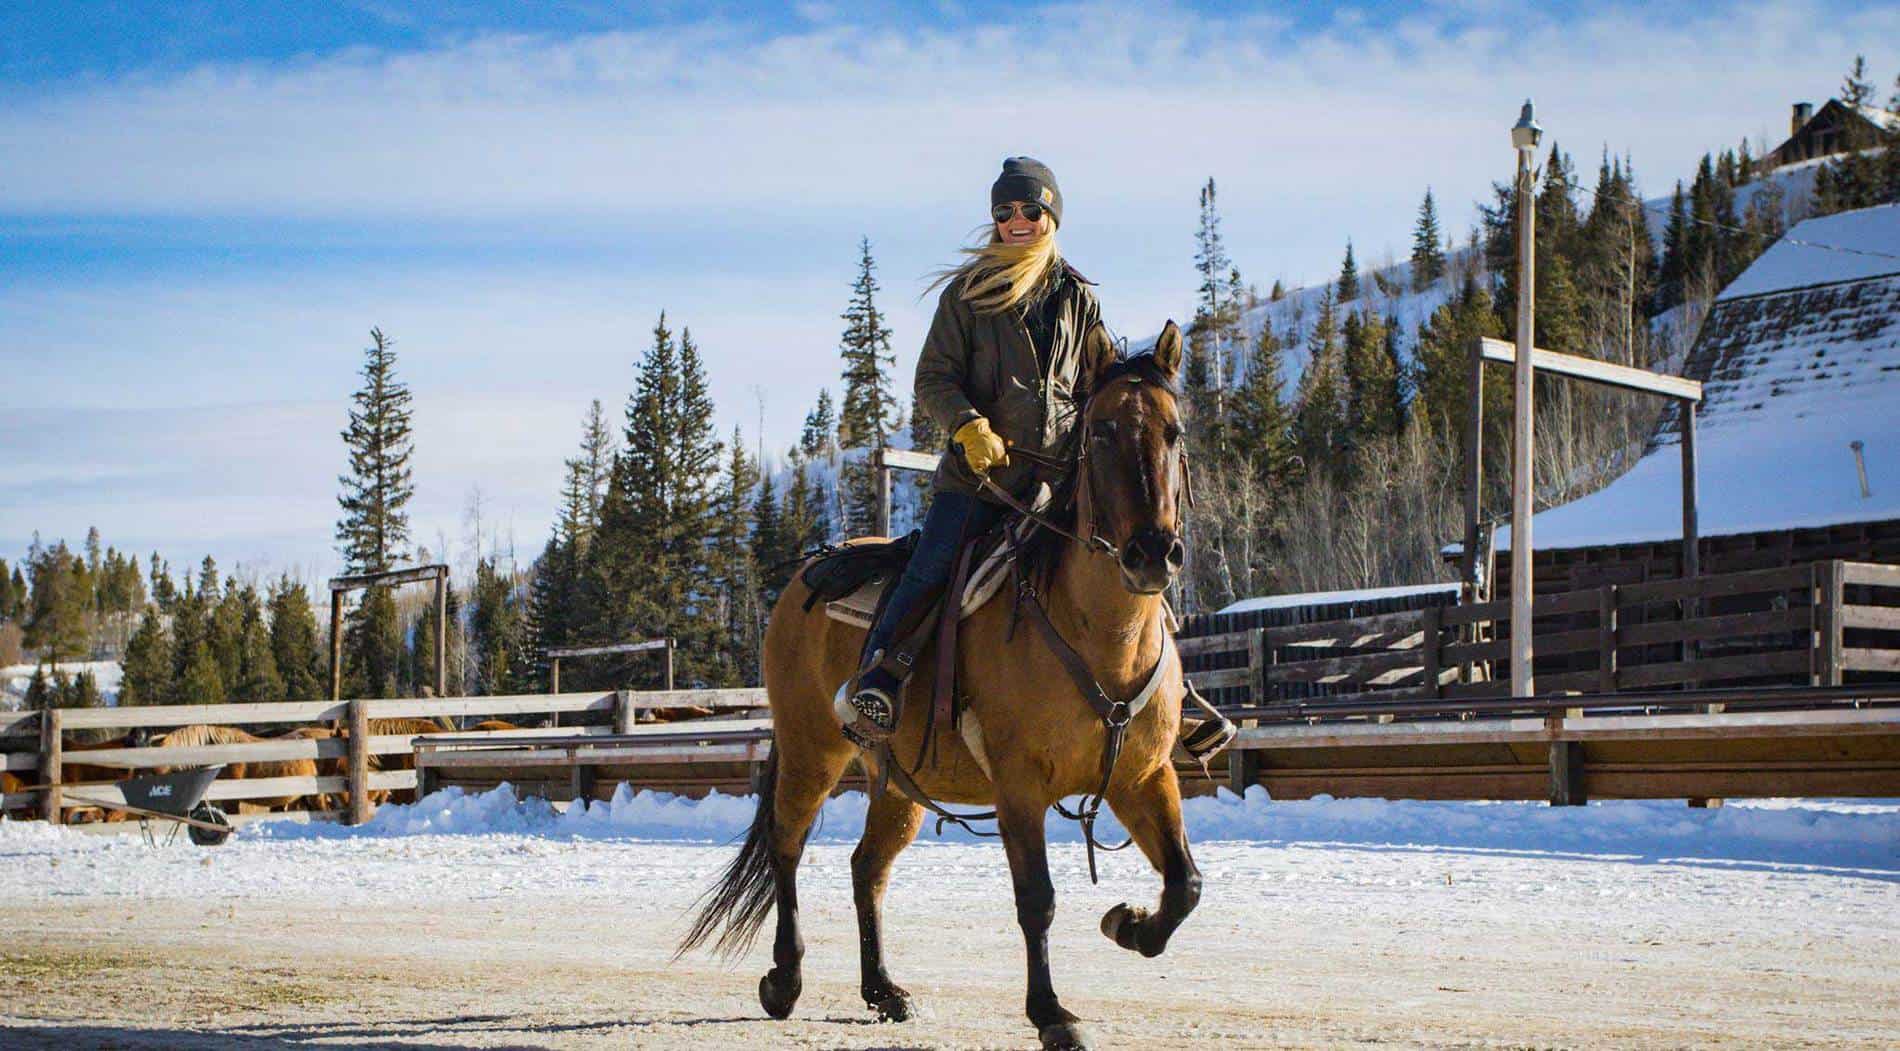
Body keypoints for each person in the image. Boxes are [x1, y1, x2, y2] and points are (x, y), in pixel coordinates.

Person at [842, 156, 1101, 742]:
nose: (1017, 221)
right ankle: (877, 682)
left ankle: (1167, 696)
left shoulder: (1078, 299)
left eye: (1031, 210)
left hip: (1057, 483)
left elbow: (1092, 384)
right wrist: (967, 426)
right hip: (981, 480)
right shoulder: (968, 292)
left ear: (1051, 217)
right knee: (931, 567)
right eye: (1005, 212)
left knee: (1125, 558)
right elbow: (934, 376)